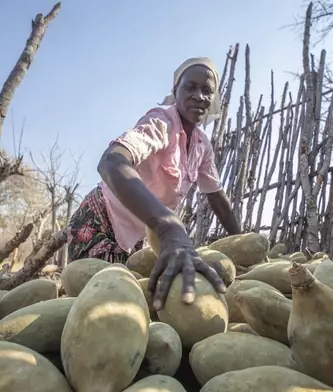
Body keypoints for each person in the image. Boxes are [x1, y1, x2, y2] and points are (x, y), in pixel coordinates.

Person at [67, 57, 241, 311]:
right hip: (100, 224)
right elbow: (112, 162)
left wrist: (242, 242)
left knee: (134, 308)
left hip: (138, 239)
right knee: (95, 308)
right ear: (175, 91)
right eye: (190, 87)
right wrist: (168, 226)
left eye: (207, 91)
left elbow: (216, 198)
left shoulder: (202, 145)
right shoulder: (161, 123)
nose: (199, 96)